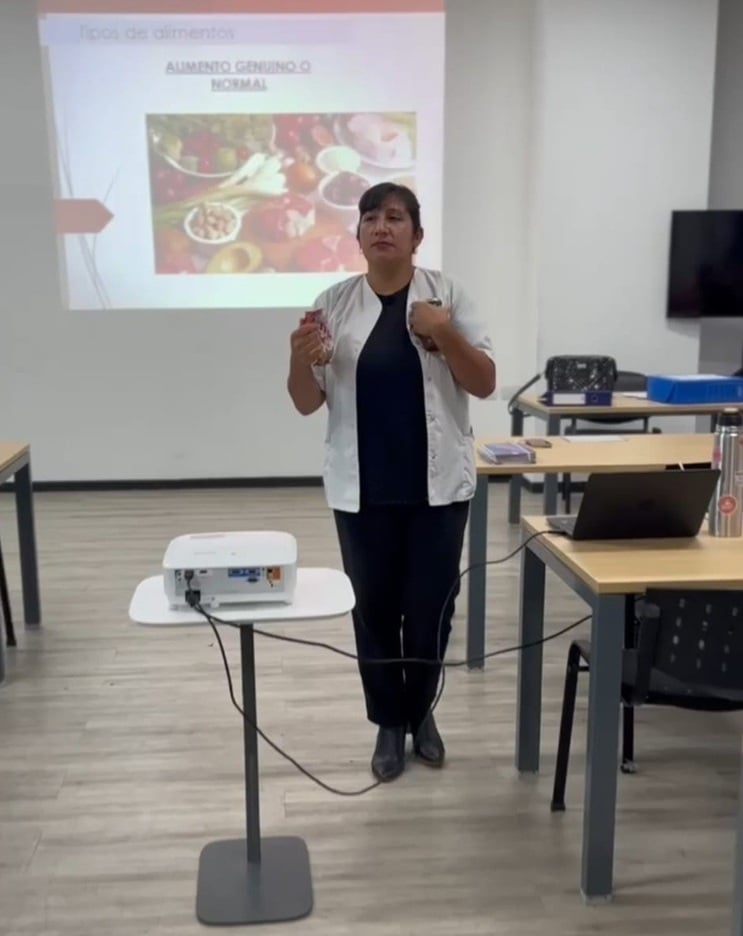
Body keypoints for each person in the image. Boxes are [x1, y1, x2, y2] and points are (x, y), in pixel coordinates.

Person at [287, 182, 495, 782]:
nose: (382, 226)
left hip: (438, 490)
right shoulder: (332, 304)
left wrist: (444, 332)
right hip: (364, 491)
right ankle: (388, 720)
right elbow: (306, 401)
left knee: (430, 612)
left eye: (396, 217)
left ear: (417, 235)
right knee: (374, 613)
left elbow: (484, 382)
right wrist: (299, 356)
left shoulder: (447, 297)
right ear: (357, 235)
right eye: (371, 217)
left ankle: (421, 711)